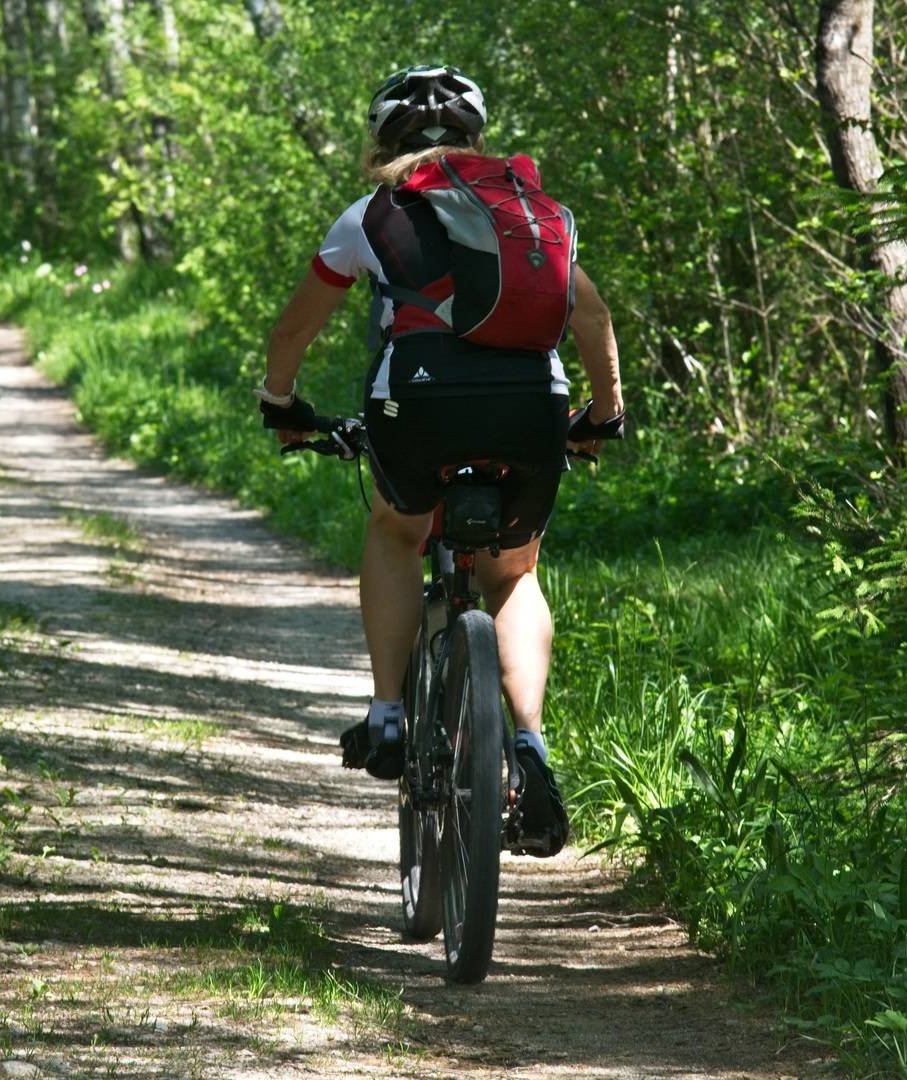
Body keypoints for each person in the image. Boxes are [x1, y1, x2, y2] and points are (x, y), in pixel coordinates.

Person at [255, 66, 625, 856]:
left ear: (382, 142)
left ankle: (389, 715)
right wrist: (603, 416)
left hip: (416, 408)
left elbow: (292, 333)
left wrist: (281, 406)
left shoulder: (371, 216)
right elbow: (590, 315)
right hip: (531, 408)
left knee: (396, 530)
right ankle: (530, 744)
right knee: (514, 574)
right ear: (475, 138)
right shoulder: (533, 212)